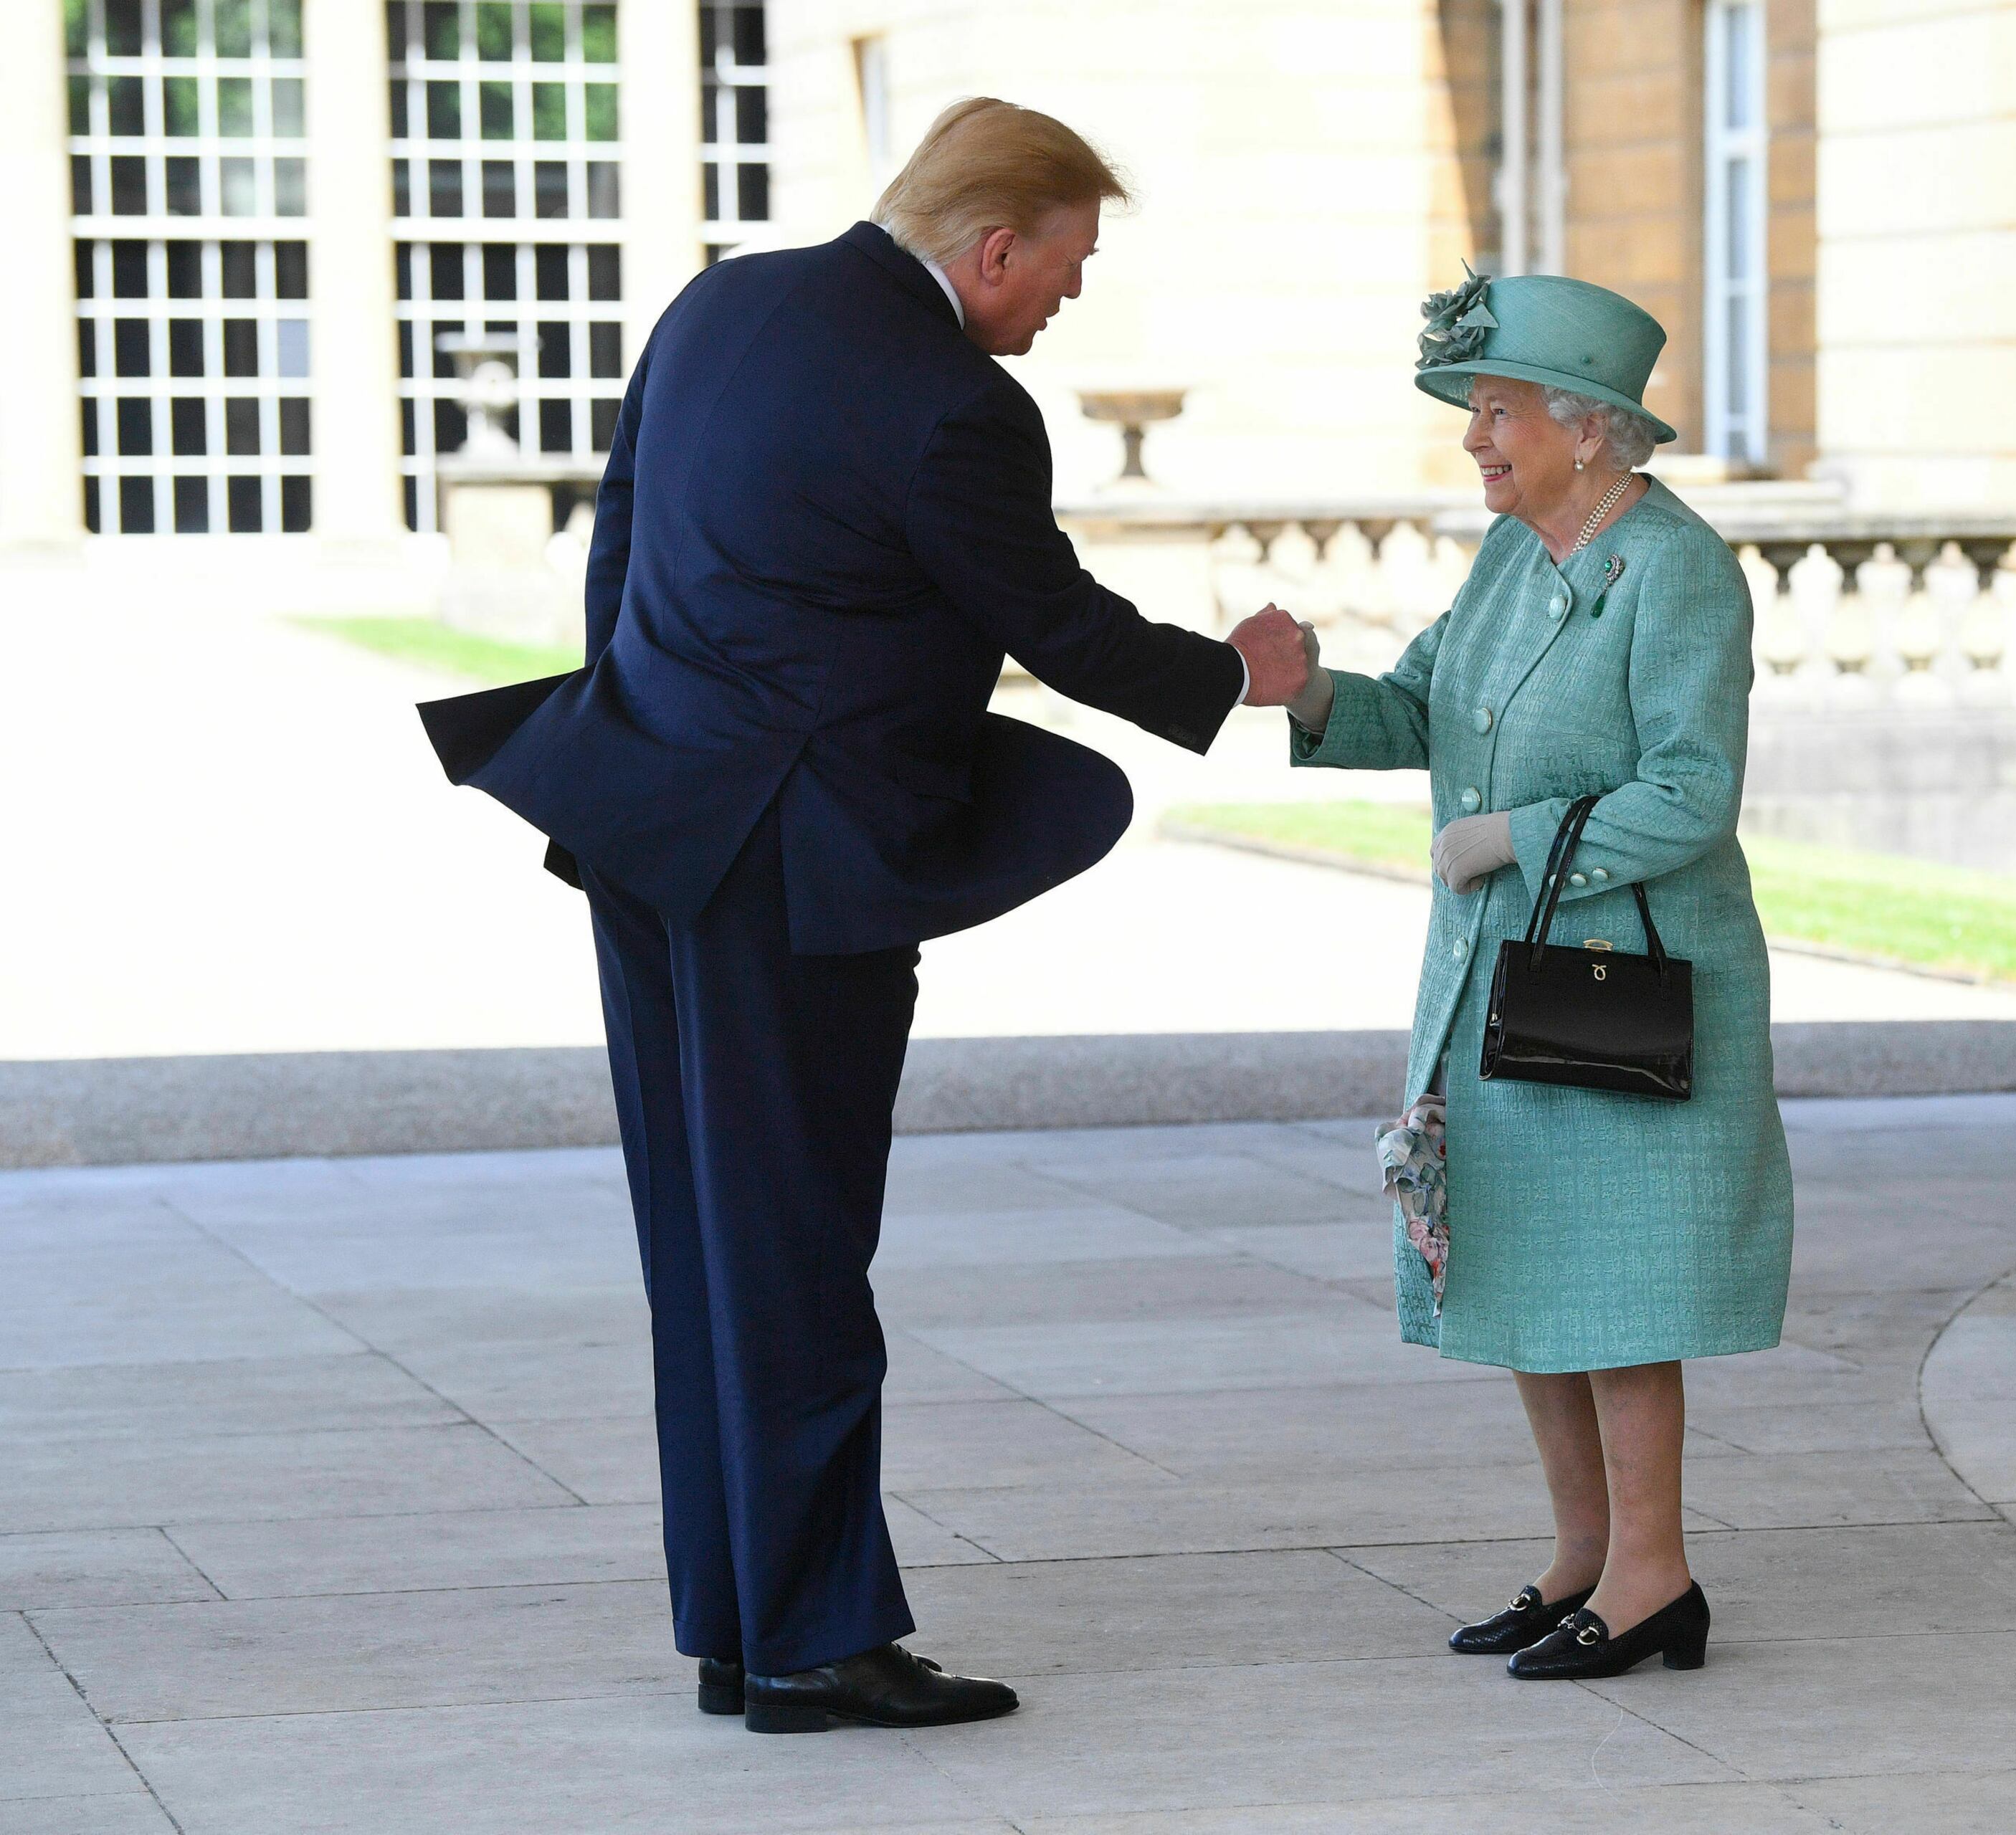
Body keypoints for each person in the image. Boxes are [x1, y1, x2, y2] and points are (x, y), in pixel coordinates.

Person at [417, 98, 1310, 1732]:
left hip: (647, 823)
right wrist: (1235, 677)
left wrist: (644, 749)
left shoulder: (719, 302)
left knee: (705, 1241)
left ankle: (740, 1617)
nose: (1068, 302)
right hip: (795, 872)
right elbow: (1052, 619)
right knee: (802, 1244)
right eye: (1067, 267)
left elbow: (616, 568)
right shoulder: (949, 404)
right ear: (993, 246)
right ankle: (819, 1639)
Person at [1288, 271, 1794, 1679]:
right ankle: (1584, 1554)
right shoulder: (1511, 557)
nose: (1474, 441)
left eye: (1497, 411)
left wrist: (1517, 837)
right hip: (1496, 975)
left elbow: (1694, 791)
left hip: (1625, 982)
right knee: (1527, 1263)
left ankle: (1656, 1573)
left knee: (1621, 1286)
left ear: (1590, 426)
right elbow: (1423, 706)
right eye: (1475, 411)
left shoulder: (1679, 568)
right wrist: (1313, 692)